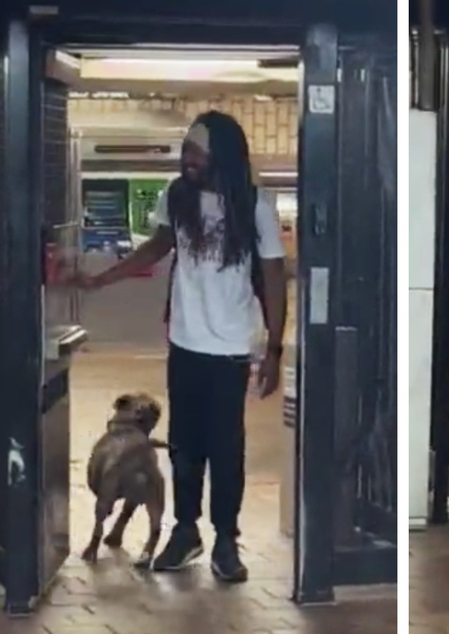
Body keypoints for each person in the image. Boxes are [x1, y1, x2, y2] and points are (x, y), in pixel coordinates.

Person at [70, 111, 287, 583]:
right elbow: (156, 247)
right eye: (186, 150)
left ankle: (226, 539)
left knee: (225, 448)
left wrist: (274, 350)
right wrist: (101, 279)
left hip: (230, 348)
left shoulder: (255, 206)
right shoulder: (178, 196)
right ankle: (185, 532)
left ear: (221, 155)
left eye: (196, 151)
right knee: (185, 448)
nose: (187, 159)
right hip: (185, 344)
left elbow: (272, 277)